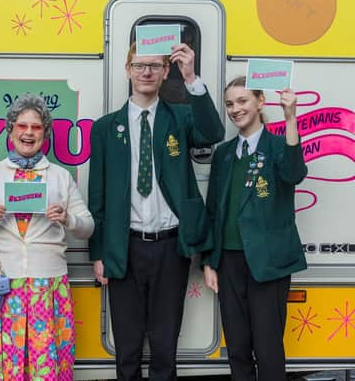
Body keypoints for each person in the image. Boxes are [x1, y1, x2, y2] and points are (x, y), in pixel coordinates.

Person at [88, 42, 225, 380]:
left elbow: (213, 132)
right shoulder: (106, 127)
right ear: (127, 70)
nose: (145, 72)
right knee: (128, 346)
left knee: (164, 346)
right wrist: (98, 252)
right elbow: (98, 195)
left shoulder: (180, 117)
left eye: (154, 66)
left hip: (170, 247)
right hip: (125, 248)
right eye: (138, 65)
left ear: (166, 72)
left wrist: (191, 77)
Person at [0, 94, 94, 380]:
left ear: (45, 134)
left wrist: (67, 218)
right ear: (11, 132)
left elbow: (87, 226)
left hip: (48, 287)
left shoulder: (60, 176)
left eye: (36, 127)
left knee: (47, 367)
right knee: (4, 367)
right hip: (2, 286)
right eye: (22, 126)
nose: (28, 132)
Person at [202, 77, 307, 381]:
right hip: (229, 262)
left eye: (243, 101)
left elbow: (294, 173)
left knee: (268, 347)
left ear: (260, 102)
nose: (236, 109)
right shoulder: (223, 153)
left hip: (268, 262)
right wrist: (210, 260)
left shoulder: (278, 145)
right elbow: (213, 211)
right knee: (237, 346)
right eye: (230, 104)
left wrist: (290, 118)